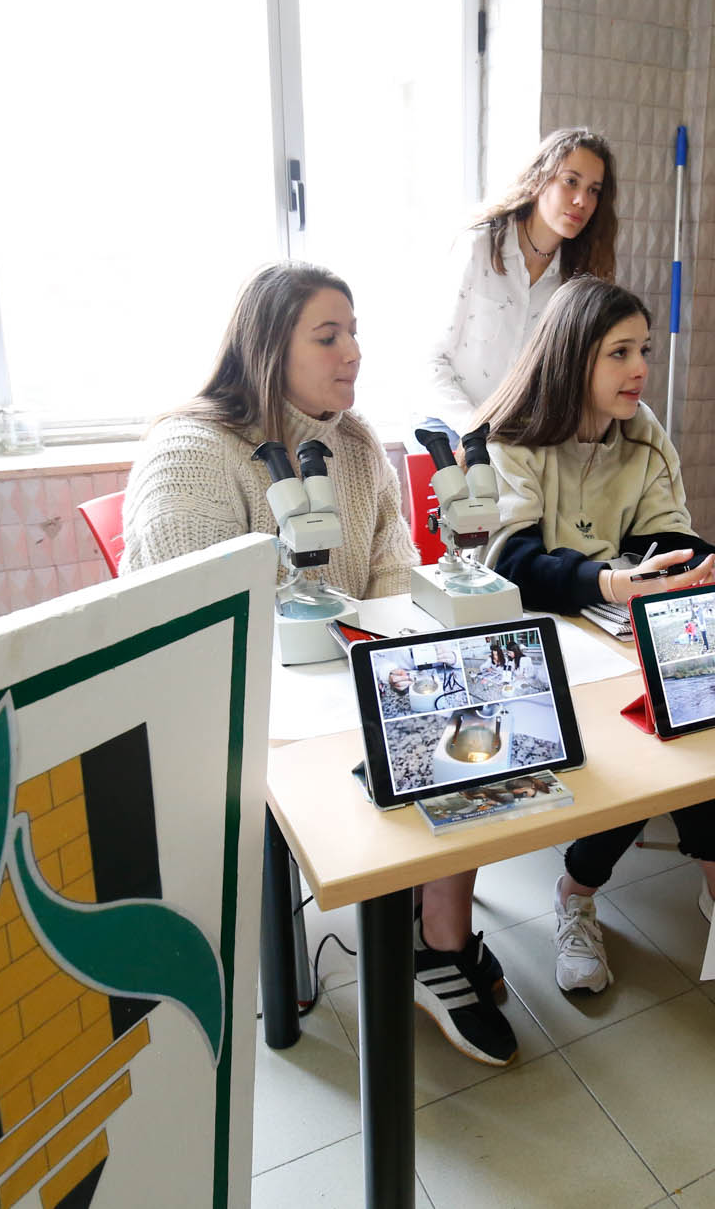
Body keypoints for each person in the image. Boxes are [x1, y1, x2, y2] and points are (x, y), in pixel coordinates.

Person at [119, 260, 520, 1068]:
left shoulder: (358, 445)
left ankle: (437, 938)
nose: (354, 352)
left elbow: (389, 581)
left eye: (356, 331)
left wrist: (416, 670)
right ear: (269, 346)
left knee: (482, 713)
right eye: (328, 335)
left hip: (343, 689)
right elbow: (189, 633)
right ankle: (418, 921)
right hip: (242, 712)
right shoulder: (193, 453)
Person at [477, 275, 715, 1000]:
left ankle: (661, 885)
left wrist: (706, 563)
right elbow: (510, 563)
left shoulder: (642, 429)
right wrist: (606, 583)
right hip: (534, 639)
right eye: (620, 353)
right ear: (573, 358)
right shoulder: (511, 437)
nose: (639, 369)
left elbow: (666, 529)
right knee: (662, 725)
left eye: (645, 350)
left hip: (616, 626)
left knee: (690, 708)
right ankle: (596, 889)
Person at [423, 127, 619, 433]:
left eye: (594, 190)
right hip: (445, 422)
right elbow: (429, 359)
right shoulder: (477, 247)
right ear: (541, 177)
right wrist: (475, 430)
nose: (582, 200)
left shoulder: (576, 281)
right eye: (571, 182)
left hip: (513, 437)